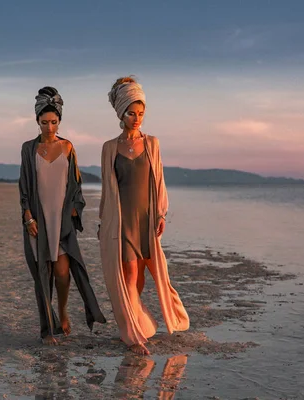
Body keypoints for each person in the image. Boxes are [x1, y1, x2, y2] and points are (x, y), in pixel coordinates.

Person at [98, 76, 189, 355]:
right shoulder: (109, 148)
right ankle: (134, 334)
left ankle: (134, 322)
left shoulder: (152, 143)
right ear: (121, 114)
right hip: (123, 221)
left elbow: (158, 179)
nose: (137, 119)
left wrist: (161, 213)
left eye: (141, 113)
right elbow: (107, 189)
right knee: (129, 273)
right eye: (131, 113)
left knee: (144, 278)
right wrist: (104, 222)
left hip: (147, 220)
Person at [19, 86, 106, 345]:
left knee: (63, 273)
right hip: (39, 219)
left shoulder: (68, 147)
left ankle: (64, 311)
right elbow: (23, 186)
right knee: (42, 275)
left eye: (54, 122)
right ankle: (48, 329)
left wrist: (74, 210)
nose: (49, 127)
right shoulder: (28, 149)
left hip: (62, 221)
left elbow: (76, 186)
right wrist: (28, 217)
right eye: (44, 122)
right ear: (37, 121)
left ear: (59, 121)